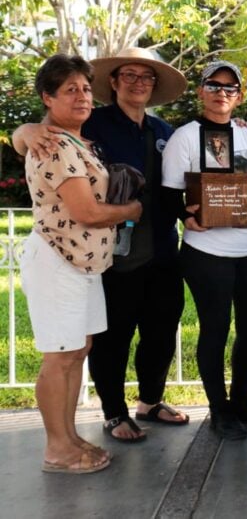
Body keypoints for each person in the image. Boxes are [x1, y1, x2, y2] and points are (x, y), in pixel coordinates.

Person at [13, 47, 191, 442]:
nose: (138, 83)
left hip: (162, 247)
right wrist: (23, 132)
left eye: (146, 78)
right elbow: (39, 138)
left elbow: (181, 185)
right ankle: (114, 412)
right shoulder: (92, 122)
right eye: (129, 75)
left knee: (162, 330)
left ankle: (150, 400)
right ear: (112, 83)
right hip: (111, 253)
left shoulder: (165, 132)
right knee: (111, 336)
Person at [20, 54, 142, 473]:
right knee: (60, 354)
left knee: (77, 350)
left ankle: (70, 437)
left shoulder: (76, 141)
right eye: (70, 89)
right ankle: (57, 448)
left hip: (83, 265)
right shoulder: (54, 144)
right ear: (47, 97)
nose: (82, 96)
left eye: (86, 88)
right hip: (58, 260)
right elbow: (87, 212)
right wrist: (132, 209)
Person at [162, 62, 247, 440]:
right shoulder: (185, 137)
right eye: (214, 86)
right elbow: (168, 193)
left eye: (230, 89)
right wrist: (187, 217)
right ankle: (219, 408)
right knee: (215, 329)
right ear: (201, 91)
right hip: (206, 251)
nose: (222, 93)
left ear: (240, 96)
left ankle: (242, 398)